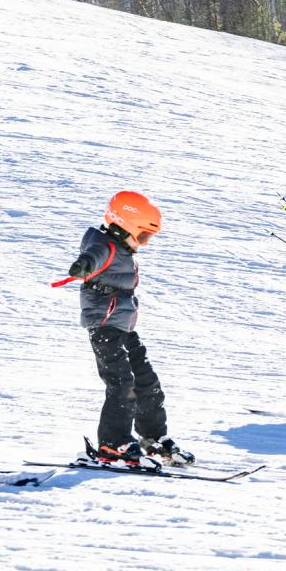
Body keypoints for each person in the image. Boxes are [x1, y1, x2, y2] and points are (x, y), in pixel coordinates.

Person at [54, 191, 195, 468]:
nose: (145, 244)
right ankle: (113, 443)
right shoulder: (103, 245)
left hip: (123, 326)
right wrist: (83, 266)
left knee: (147, 382)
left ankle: (152, 438)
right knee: (122, 384)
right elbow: (92, 256)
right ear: (123, 225)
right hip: (105, 327)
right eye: (143, 237)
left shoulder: (121, 247)